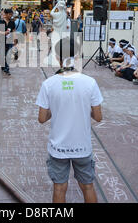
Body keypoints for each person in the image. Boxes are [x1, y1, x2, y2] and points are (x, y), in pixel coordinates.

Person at [36, 37, 103, 203]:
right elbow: (98, 117)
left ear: (57, 58)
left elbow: (42, 118)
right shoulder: (90, 83)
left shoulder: (48, 84)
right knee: (87, 186)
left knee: (59, 187)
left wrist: (56, 109)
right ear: (78, 57)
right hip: (82, 147)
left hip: (58, 148)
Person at [0, 9, 15, 75]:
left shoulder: (12, 22)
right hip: (1, 40)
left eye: (11, 14)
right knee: (2, 54)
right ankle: (3, 65)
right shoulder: (1, 21)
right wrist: (4, 33)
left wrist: (15, 39)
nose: (11, 15)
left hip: (9, 40)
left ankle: (7, 68)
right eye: (10, 14)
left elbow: (13, 30)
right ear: (6, 14)